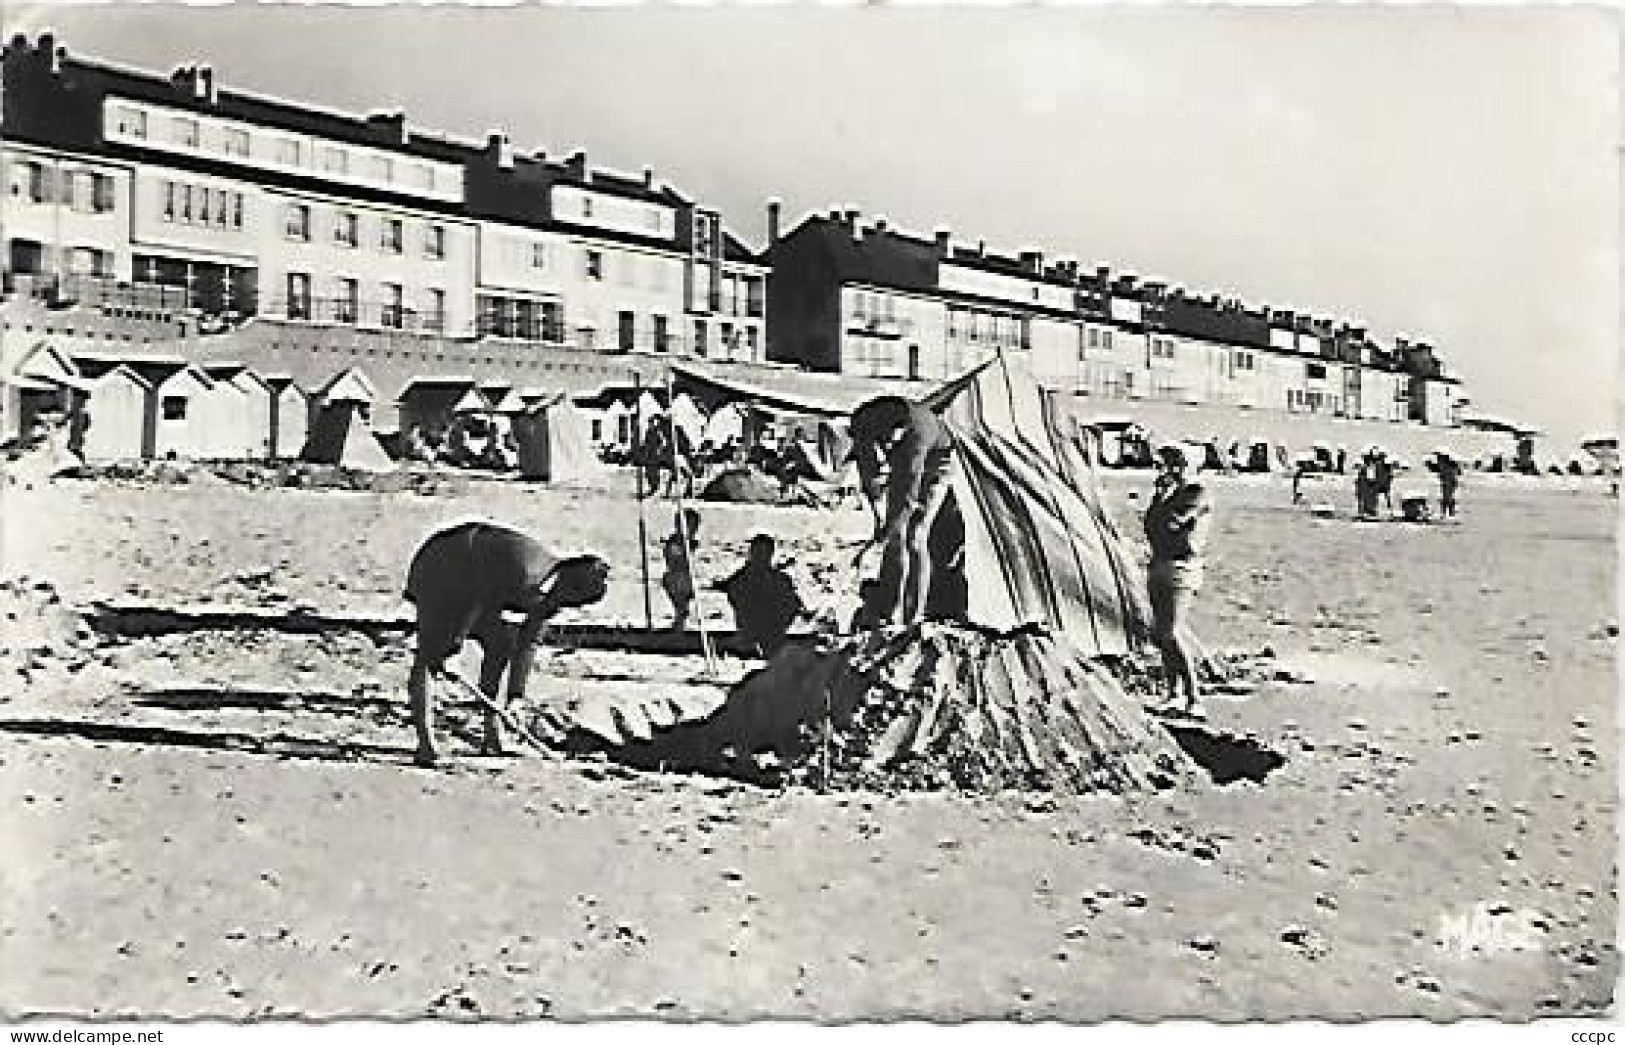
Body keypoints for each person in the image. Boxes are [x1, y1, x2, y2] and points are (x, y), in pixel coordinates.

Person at [403, 521, 610, 767]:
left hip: (475, 585)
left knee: (501, 645)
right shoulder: (526, 571)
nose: (563, 606)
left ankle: (492, 737)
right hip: (444, 562)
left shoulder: (553, 590)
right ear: (567, 582)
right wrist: (453, 646)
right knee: (431, 654)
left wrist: (516, 697)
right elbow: (474, 596)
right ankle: (426, 745)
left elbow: (528, 642)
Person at [847, 395, 957, 628]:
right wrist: (879, 517)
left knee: (915, 536)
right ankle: (890, 608)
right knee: (894, 539)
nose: (883, 450)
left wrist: (883, 535)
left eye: (888, 444)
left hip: (938, 463)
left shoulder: (916, 436)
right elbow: (869, 475)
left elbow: (908, 498)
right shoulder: (865, 424)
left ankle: (912, 614)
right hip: (903, 454)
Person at [1142, 446, 1213, 716]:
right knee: (1162, 634)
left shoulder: (1197, 493)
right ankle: (1174, 693)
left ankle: (1194, 697)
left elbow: (1172, 524)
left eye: (1177, 465)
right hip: (1161, 562)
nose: (1172, 471)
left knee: (1172, 631)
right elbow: (1151, 527)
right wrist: (1159, 498)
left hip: (1182, 566)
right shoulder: (1170, 496)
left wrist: (1164, 500)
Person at [720, 534, 805, 657]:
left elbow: (793, 604)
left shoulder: (779, 579)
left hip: (770, 631)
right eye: (758, 552)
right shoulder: (744, 579)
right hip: (755, 630)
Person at [661, 508, 702, 630]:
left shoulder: (691, 542)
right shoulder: (674, 542)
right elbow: (674, 558)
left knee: (683, 602)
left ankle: (680, 621)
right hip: (675, 578)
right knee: (680, 601)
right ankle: (679, 621)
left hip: (686, 578)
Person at [1436, 452, 1462, 518]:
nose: (1438, 461)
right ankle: (1448, 513)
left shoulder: (1447, 466)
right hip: (1448, 483)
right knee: (1447, 497)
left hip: (1449, 483)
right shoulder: (1449, 466)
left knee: (1447, 498)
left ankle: (1447, 513)